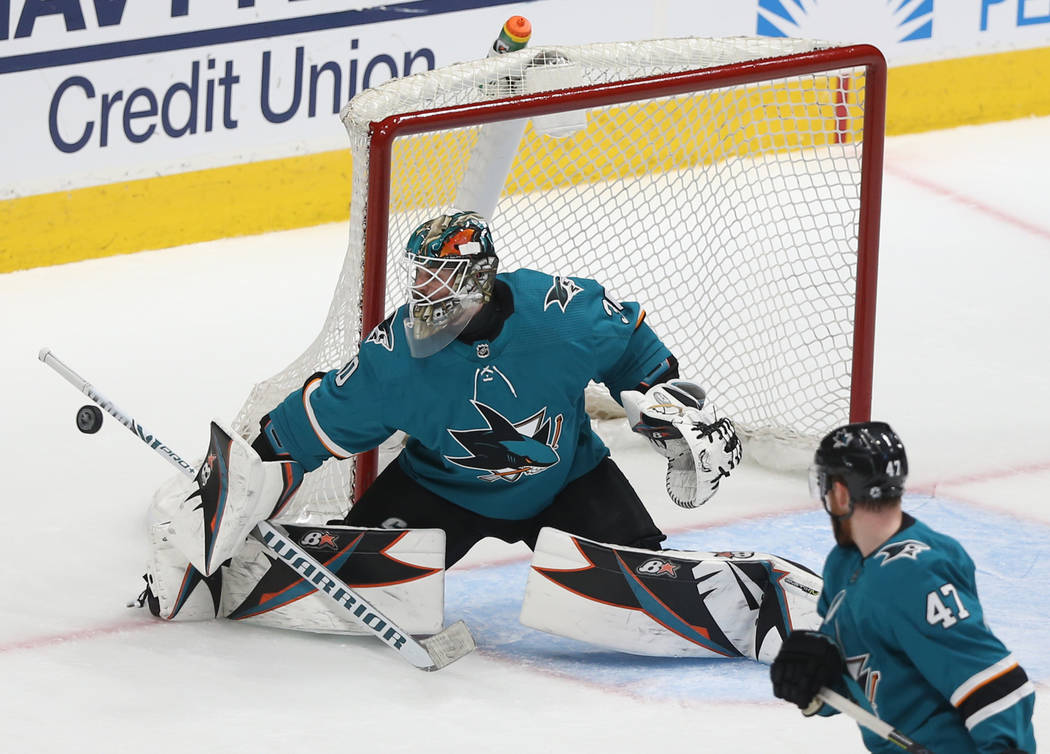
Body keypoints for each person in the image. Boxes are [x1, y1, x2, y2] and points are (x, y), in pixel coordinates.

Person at [138, 211, 821, 662]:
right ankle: (225, 577)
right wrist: (244, 479)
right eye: (420, 274)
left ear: (478, 279)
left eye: (439, 275)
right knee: (359, 579)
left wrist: (658, 393)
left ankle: (762, 591)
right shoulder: (397, 355)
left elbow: (630, 344)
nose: (423, 290)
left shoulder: (557, 312)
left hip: (567, 479)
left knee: (636, 582)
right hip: (440, 490)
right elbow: (307, 425)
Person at [770, 421, 1037, 753]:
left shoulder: (916, 574)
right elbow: (870, 671)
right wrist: (817, 680)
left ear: (840, 494)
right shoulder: (843, 564)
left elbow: (992, 682)